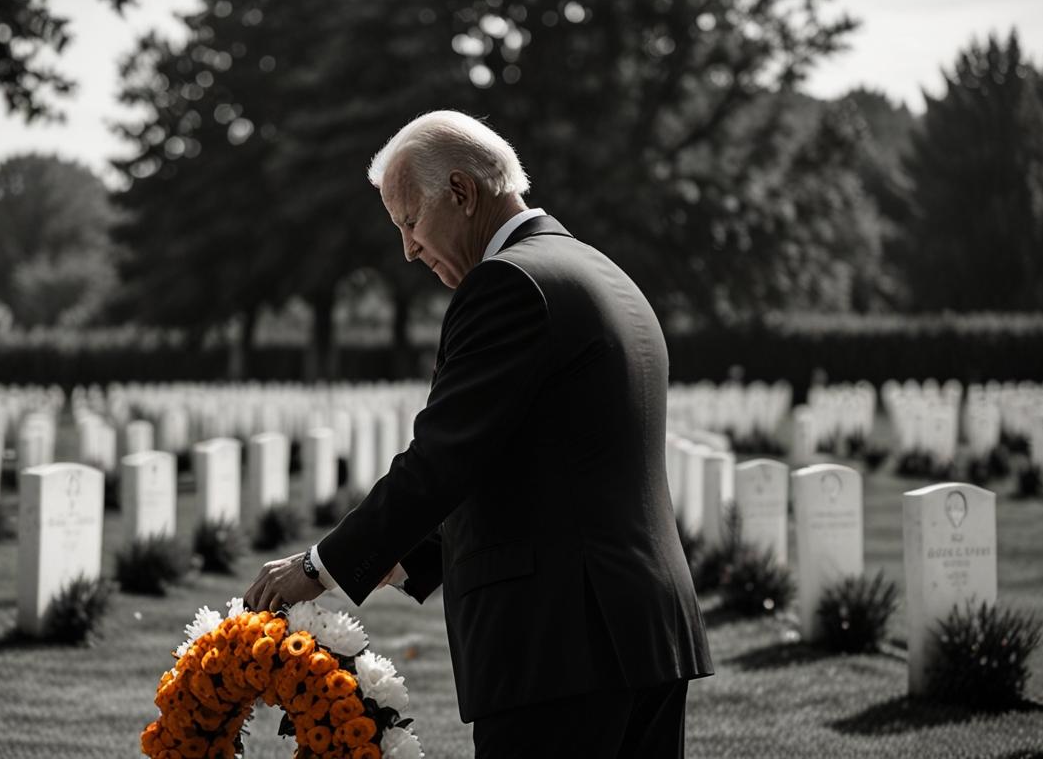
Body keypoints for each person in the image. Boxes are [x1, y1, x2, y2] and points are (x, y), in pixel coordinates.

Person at [244, 110, 712, 757]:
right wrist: (400, 558)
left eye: (410, 221)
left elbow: (443, 457)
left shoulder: (508, 283)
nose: (407, 249)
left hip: (559, 642)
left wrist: (318, 567)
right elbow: (528, 461)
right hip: (643, 631)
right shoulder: (600, 271)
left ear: (462, 192)